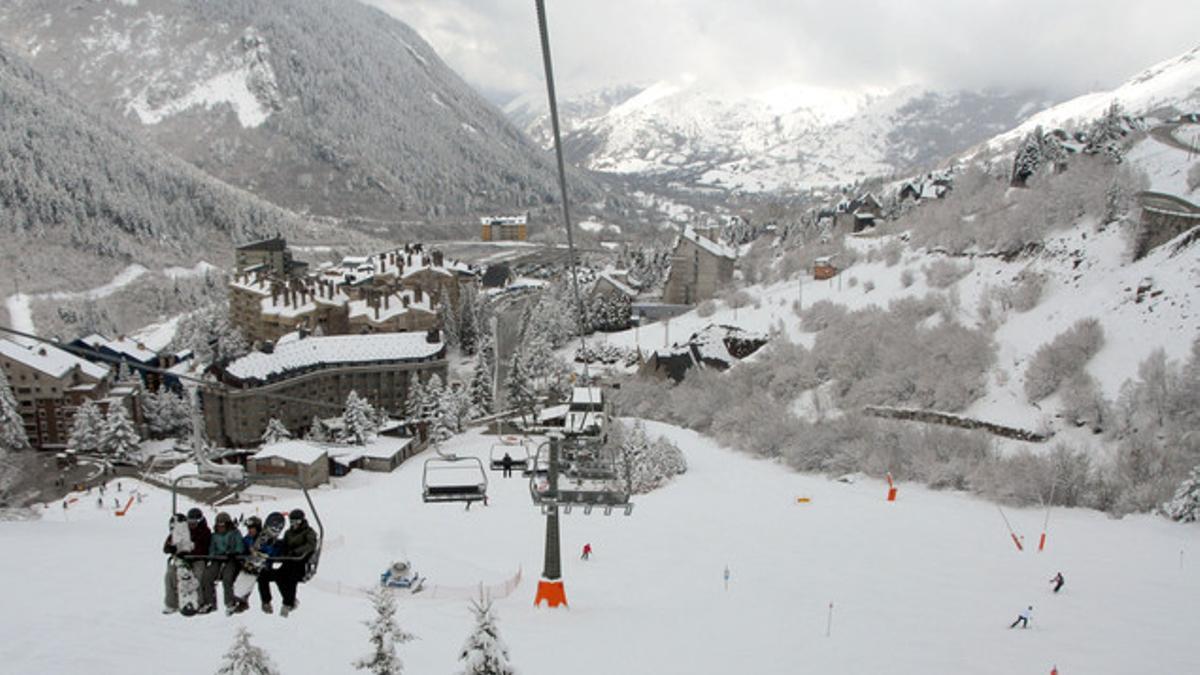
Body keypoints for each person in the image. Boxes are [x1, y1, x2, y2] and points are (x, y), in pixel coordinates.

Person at [162, 510, 212, 614]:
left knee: (197, 576)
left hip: (198, 559)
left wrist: (189, 551)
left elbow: (203, 547)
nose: (192, 524)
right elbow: (166, 547)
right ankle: (172, 604)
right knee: (170, 574)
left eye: (194, 522)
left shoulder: (204, 531)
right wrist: (171, 547)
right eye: (190, 522)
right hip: (181, 559)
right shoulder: (181, 530)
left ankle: (198, 603)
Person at [271, 509, 318, 617]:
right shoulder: (288, 533)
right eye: (292, 522)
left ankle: (287, 603)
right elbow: (285, 544)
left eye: (296, 522)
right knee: (279, 576)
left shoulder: (309, 532)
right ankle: (290, 600)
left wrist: (297, 551)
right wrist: (276, 543)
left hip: (301, 562)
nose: (294, 525)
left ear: (301, 521)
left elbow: (311, 545)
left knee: (292, 578)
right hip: (289, 561)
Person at [205, 512, 246, 615]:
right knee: (207, 576)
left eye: (223, 525)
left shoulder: (235, 533)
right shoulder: (214, 536)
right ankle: (209, 602)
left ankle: (229, 603)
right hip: (218, 559)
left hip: (231, 559)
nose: (220, 527)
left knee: (227, 578)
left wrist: (234, 553)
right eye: (218, 525)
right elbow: (211, 549)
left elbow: (240, 547)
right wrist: (214, 555)